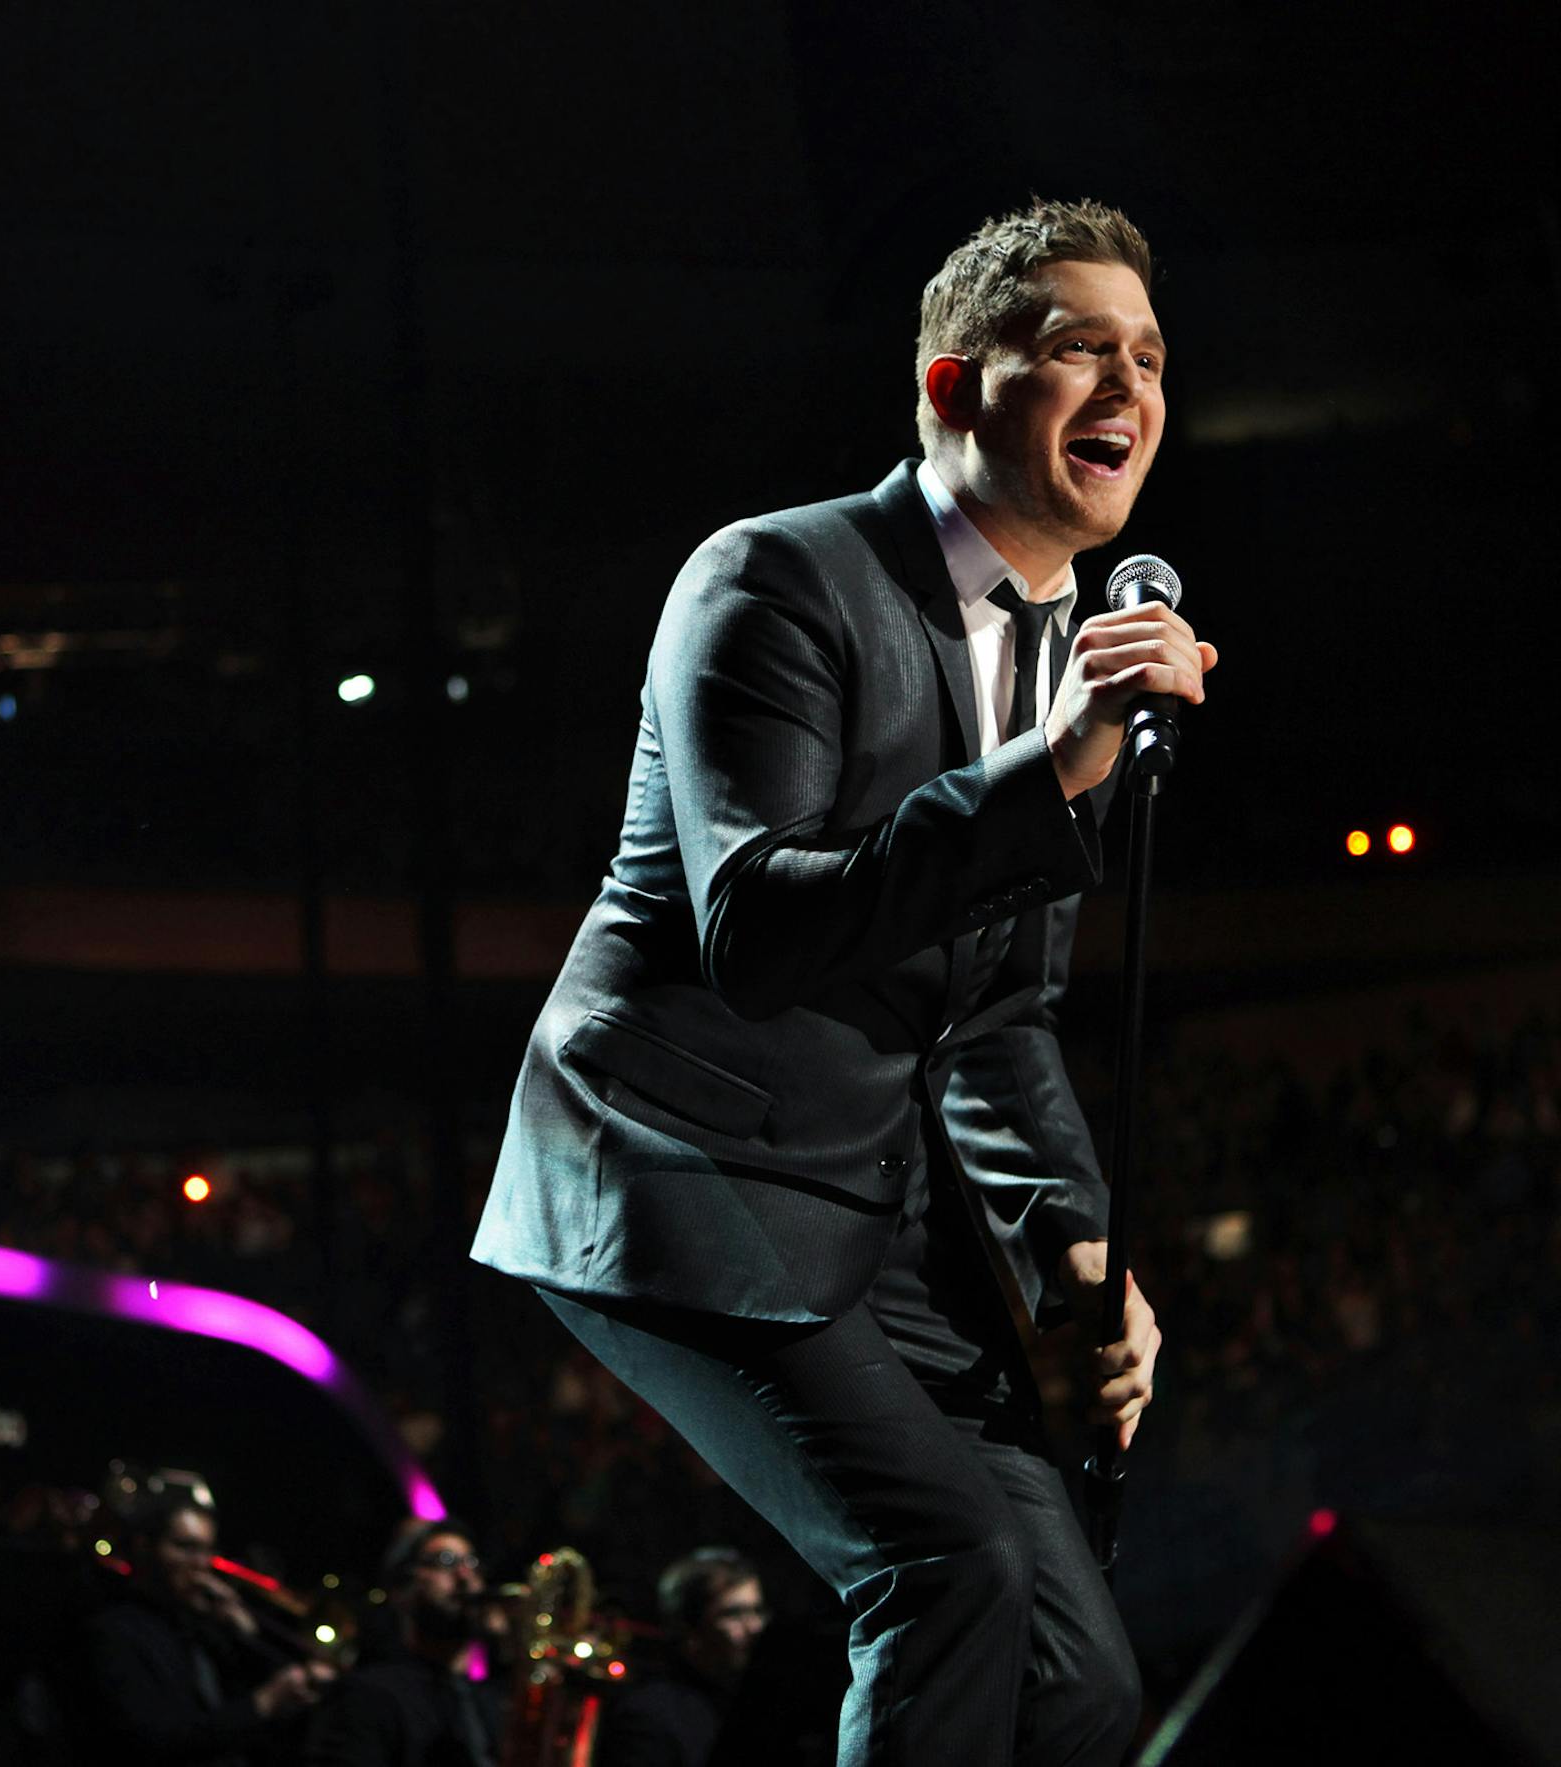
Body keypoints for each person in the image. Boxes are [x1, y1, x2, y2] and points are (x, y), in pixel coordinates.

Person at [472, 197, 1212, 1764]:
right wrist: (1054, 767)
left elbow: (998, 1014)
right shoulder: (776, 579)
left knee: (1079, 1681)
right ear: (952, 388)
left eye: (1149, 355)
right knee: (950, 1565)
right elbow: (756, 923)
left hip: (866, 1205)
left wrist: (1077, 1249)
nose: (1131, 390)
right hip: (679, 1162)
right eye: (1079, 348)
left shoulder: (1065, 643)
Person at [76, 1490, 328, 1764]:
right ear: (144, 1546)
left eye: (206, 1550)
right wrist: (264, 1703)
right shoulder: (114, 1630)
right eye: (185, 1547)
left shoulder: (200, 1624)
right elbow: (160, 1740)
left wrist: (243, 1632)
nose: (201, 1564)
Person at [303, 1518, 502, 1767]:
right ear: (402, 1591)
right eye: (446, 1561)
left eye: (471, 1563)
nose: (465, 1576)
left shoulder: (487, 1701)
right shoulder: (369, 1695)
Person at [596, 1547, 766, 1767]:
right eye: (733, 1613)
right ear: (688, 1626)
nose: (755, 1627)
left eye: (757, 1611)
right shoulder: (649, 1714)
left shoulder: (748, 1701)